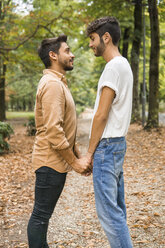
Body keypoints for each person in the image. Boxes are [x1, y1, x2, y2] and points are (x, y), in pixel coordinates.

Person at [27, 34, 92, 248]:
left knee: (42, 216)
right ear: (53, 55)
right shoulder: (53, 84)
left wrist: (79, 156)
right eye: (67, 51)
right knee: (40, 216)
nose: (72, 55)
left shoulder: (58, 82)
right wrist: (75, 163)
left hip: (54, 163)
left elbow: (65, 126)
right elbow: (54, 130)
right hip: (49, 163)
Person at [85, 17, 133, 248]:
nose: (90, 44)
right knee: (117, 208)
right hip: (118, 144)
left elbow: (101, 115)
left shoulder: (112, 67)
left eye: (93, 39)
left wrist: (90, 153)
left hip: (107, 147)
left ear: (106, 37)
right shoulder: (124, 65)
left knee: (109, 215)